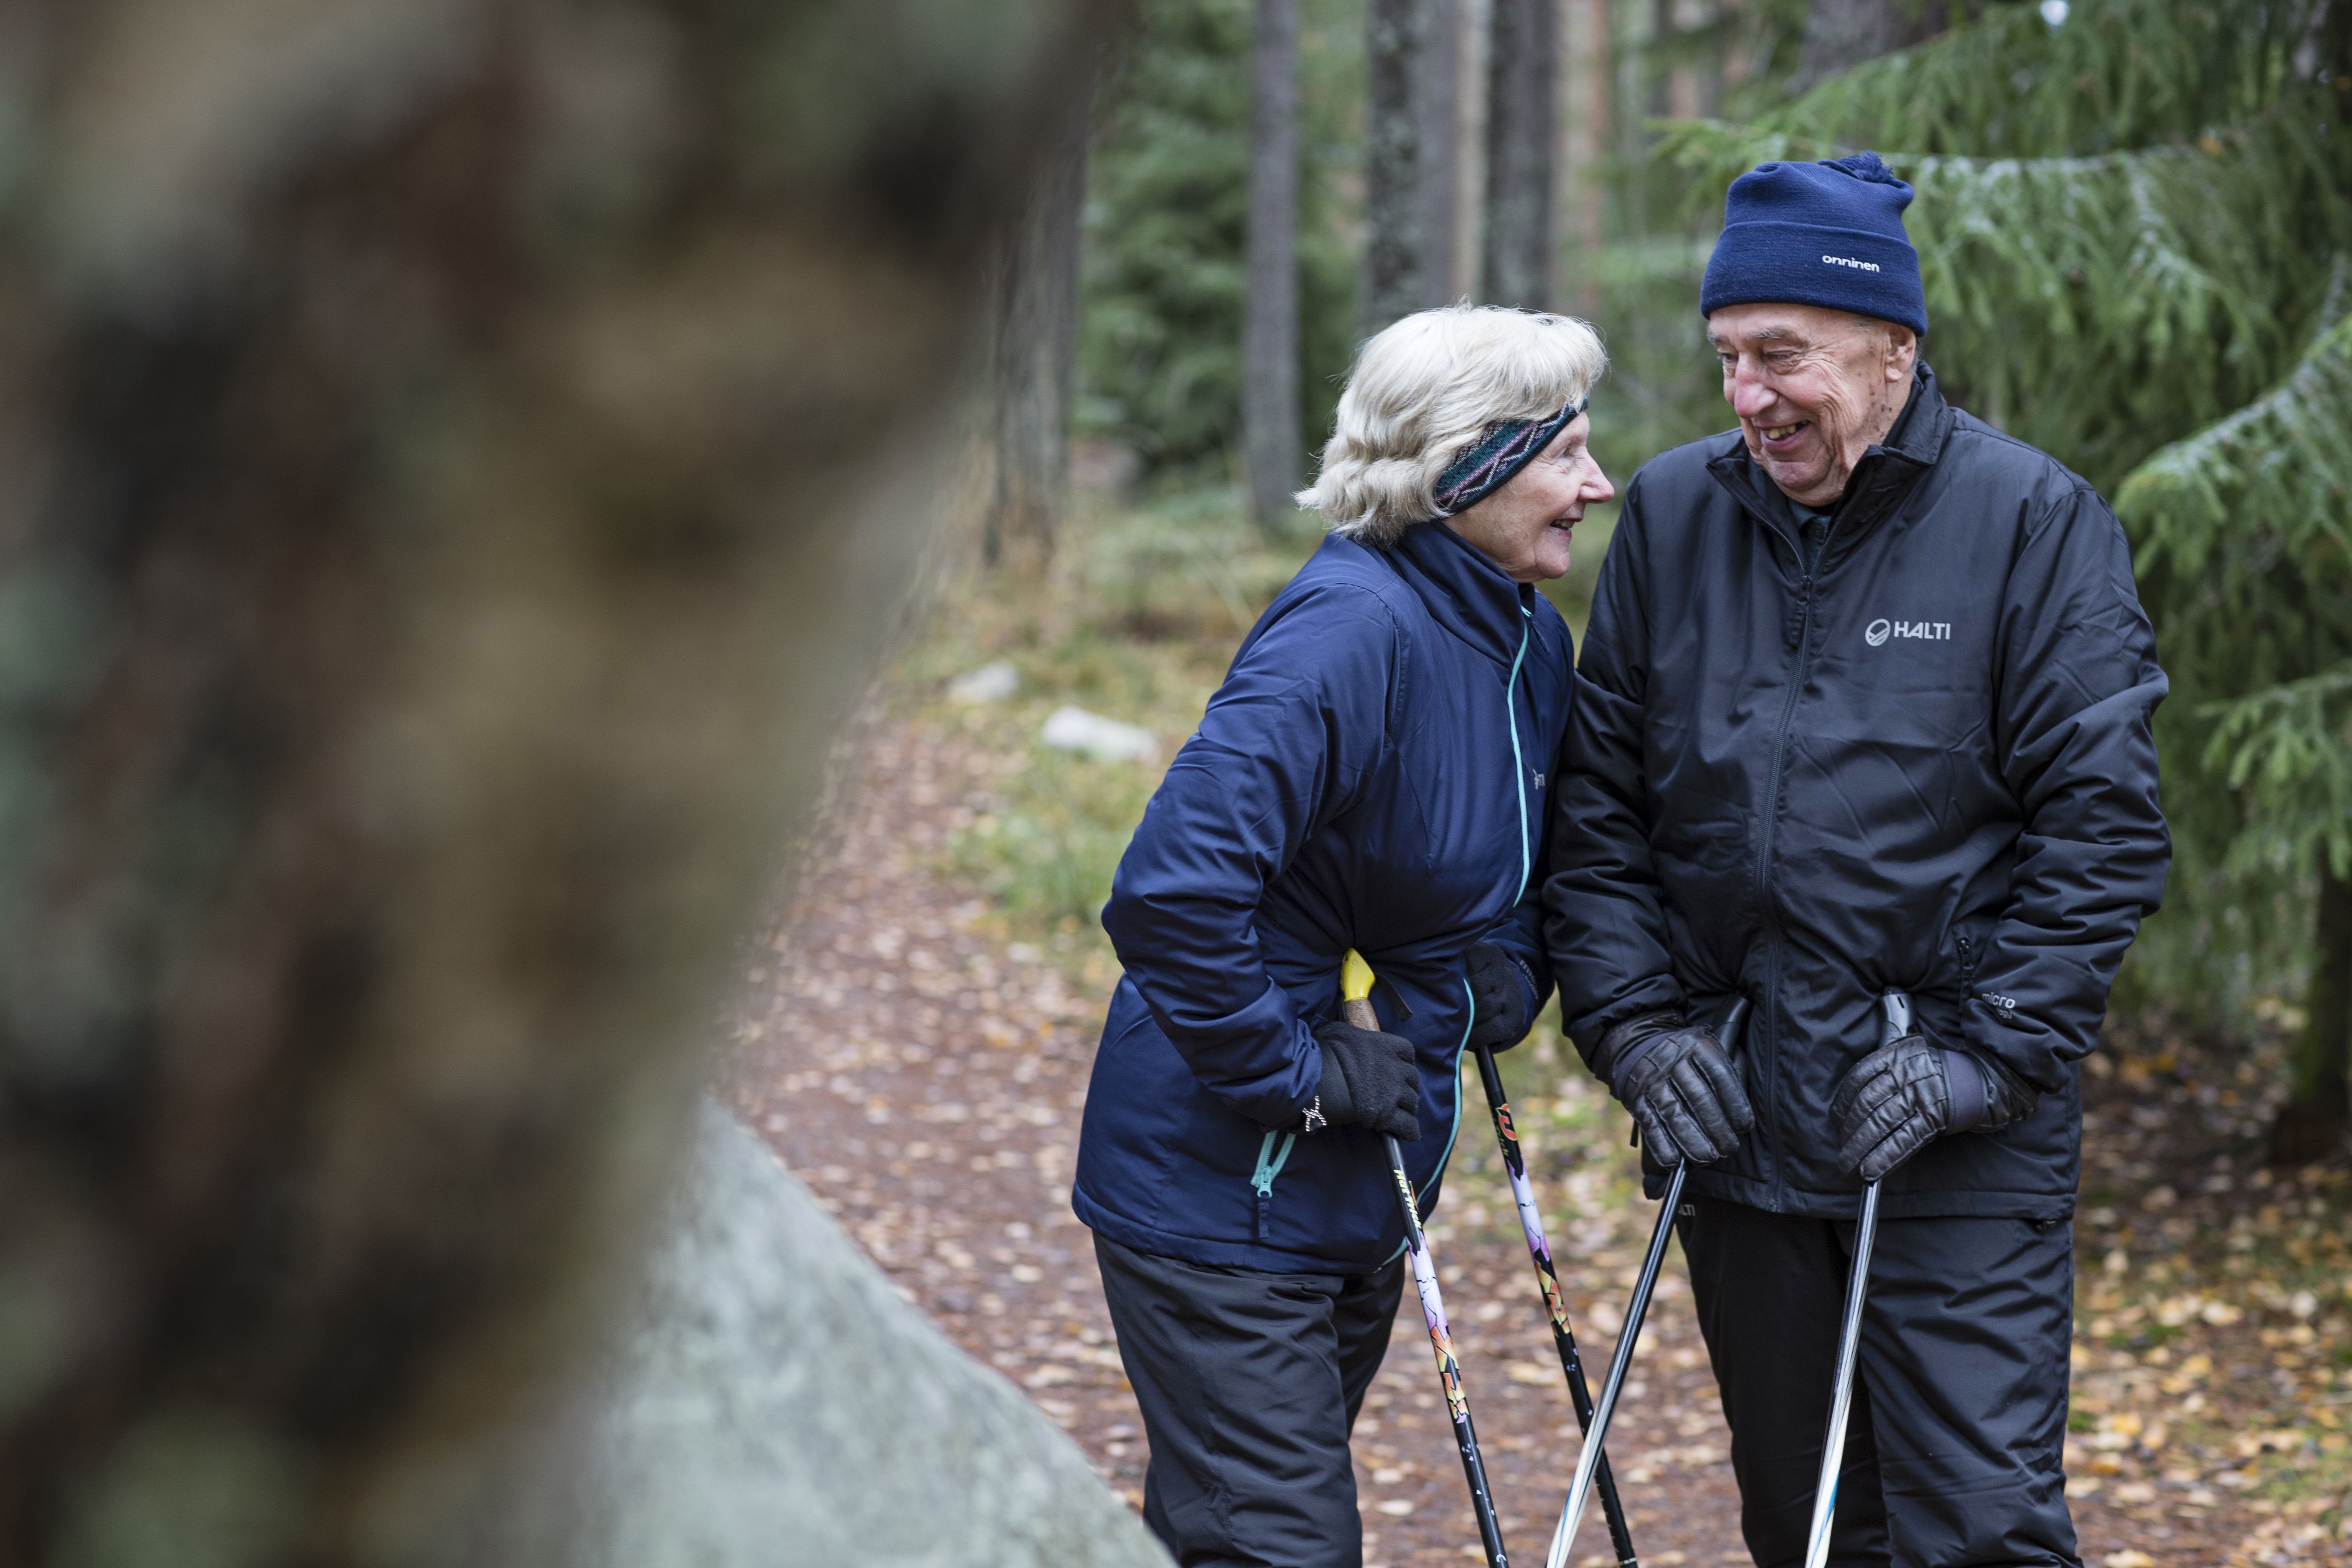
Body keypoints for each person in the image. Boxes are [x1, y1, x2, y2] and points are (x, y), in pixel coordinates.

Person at [1544, 152, 2170, 1568]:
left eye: (1784, 354)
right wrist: (1639, 1034)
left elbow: (2105, 825)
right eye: (1726, 359)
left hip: (1953, 1137)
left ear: (1893, 351)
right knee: (1809, 1529)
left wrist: (1985, 1058)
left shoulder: (2030, 522)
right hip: (1739, 1124)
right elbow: (1598, 817)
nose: (1751, 397)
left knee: (1978, 1529)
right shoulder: (1674, 515)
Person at [1072, 304, 1615, 1568]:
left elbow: (1523, 864)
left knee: (1249, 1532)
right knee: (1278, 1548)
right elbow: (1170, 893)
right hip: (1222, 1192)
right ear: (1464, 465)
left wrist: (1506, 969)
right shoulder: (1350, 633)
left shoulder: (1525, 639)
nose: (1597, 484)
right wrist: (1299, 1072)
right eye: (1565, 452)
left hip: (1365, 1183)